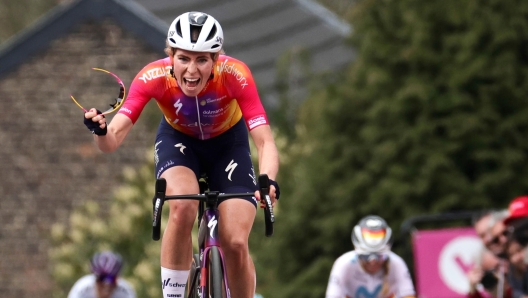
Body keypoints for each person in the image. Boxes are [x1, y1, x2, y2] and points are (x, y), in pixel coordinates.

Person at [83, 11, 280, 298]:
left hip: (228, 145)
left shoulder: (236, 74)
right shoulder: (152, 77)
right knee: (183, 204)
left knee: (236, 241)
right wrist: (100, 131)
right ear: (170, 56)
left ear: (215, 60)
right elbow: (112, 141)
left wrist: (268, 180)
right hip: (180, 143)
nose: (191, 70)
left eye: (202, 59)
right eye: (184, 58)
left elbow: (265, 142)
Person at [325, 215, 416, 298]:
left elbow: (408, 295)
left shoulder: (396, 263)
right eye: (365, 256)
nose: (372, 261)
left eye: (380, 257)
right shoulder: (343, 263)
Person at [67, 251, 136, 298]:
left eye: (111, 278)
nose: (107, 284)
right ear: (94, 278)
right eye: (102, 278)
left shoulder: (125, 292)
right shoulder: (82, 289)